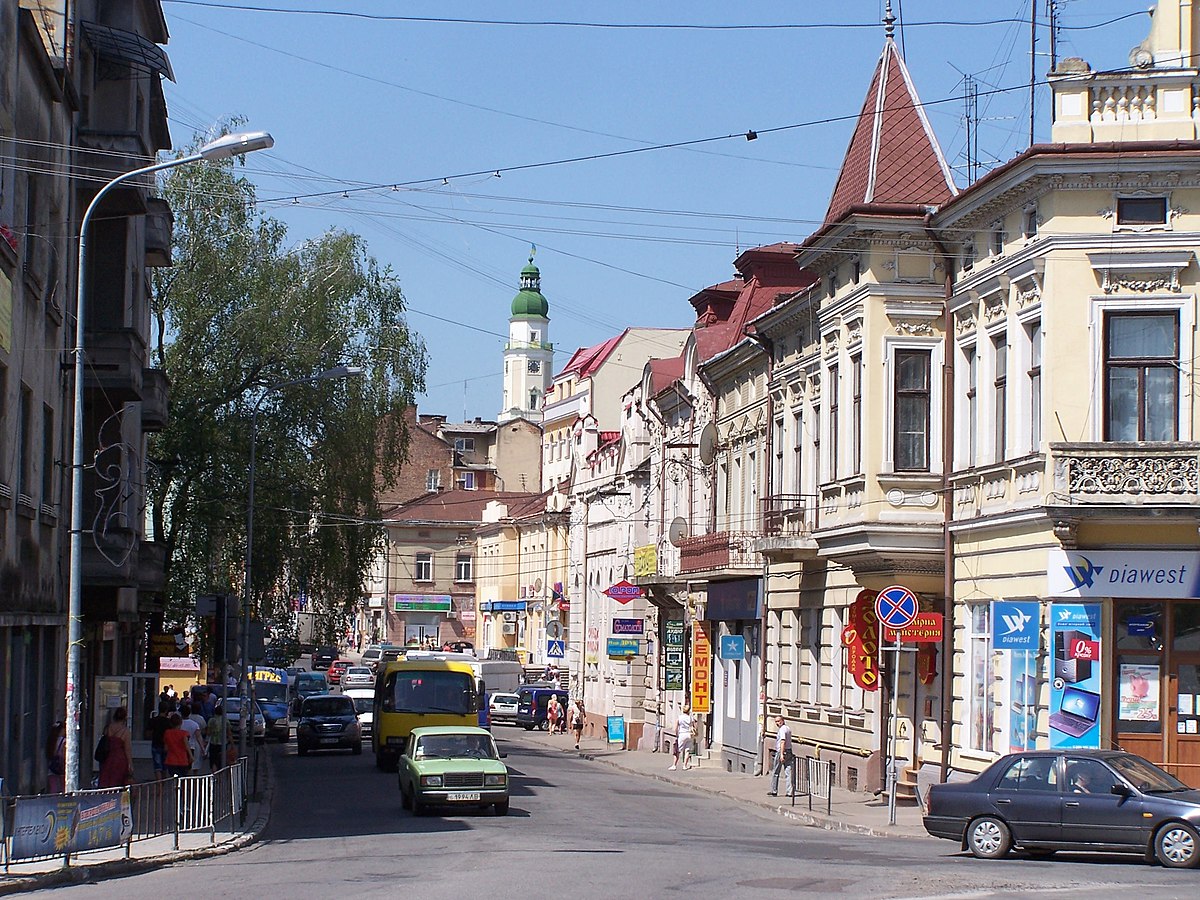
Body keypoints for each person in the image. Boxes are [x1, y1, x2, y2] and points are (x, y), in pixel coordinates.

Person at [97, 706, 135, 788]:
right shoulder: (125, 731)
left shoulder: (109, 727)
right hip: (120, 759)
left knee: (107, 780)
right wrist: (130, 764)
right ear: (125, 718)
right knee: (118, 780)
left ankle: (105, 797)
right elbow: (127, 749)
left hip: (108, 757)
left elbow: (105, 740)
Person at [767, 715, 794, 797]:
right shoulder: (788, 728)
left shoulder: (782, 730)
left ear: (783, 720)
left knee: (776, 771)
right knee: (788, 772)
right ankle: (790, 792)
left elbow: (783, 741)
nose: (777, 723)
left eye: (779, 721)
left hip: (781, 751)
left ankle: (774, 790)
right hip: (789, 751)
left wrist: (781, 754)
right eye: (776, 721)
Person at [147, 700, 173, 780]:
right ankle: (163, 783)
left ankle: (159, 785)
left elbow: (148, 733)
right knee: (164, 767)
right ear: (166, 710)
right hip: (166, 745)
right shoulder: (169, 722)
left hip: (156, 743)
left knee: (157, 766)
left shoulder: (153, 720)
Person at [179, 701, 207, 772]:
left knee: (183, 766)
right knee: (194, 764)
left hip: (180, 746)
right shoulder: (195, 724)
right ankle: (193, 780)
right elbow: (199, 736)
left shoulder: (179, 724)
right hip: (193, 745)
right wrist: (203, 749)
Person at [163, 713, 192, 778]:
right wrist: (191, 756)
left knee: (173, 777)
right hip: (182, 760)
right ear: (181, 723)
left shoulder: (167, 733)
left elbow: (166, 748)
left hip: (171, 760)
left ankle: (175, 787)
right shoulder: (184, 733)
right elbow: (186, 745)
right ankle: (181, 787)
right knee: (183, 778)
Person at [206, 703, 230, 771]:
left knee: (213, 760)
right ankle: (220, 775)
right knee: (221, 760)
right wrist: (232, 744)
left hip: (213, 743)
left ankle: (214, 775)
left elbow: (208, 733)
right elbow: (229, 733)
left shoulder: (211, 720)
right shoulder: (226, 721)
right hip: (223, 743)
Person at [670, 705, 695, 771]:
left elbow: (676, 728)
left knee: (677, 750)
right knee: (687, 750)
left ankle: (674, 765)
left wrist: (676, 734)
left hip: (682, 734)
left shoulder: (680, 717)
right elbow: (694, 726)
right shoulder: (691, 718)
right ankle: (685, 766)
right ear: (689, 711)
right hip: (689, 734)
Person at [46, 721, 66, 794]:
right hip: (61, 766)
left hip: (52, 766)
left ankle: (52, 802)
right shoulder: (64, 741)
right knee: (63, 787)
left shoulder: (51, 740)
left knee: (53, 787)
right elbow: (64, 755)